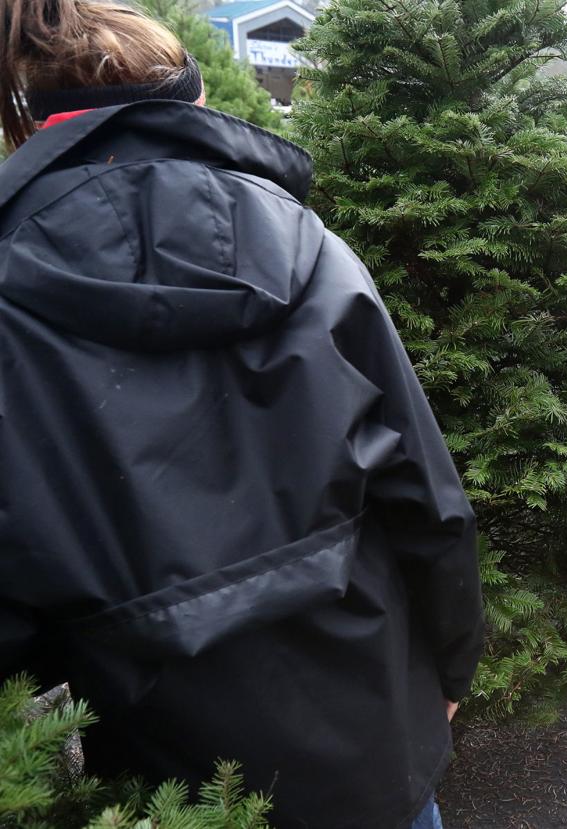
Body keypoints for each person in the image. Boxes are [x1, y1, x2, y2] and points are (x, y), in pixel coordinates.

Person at [0, 2, 484, 827]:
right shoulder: (314, 252)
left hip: (165, 762)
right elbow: (427, 499)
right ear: (192, 108)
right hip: (367, 730)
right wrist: (451, 669)